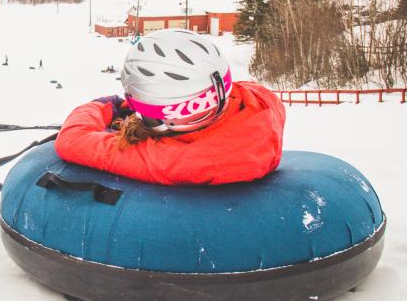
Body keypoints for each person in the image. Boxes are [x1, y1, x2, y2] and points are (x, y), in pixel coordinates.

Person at [55, 29, 285, 185]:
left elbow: (72, 140)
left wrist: (103, 105)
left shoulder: (172, 160)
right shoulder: (262, 106)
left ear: (162, 119)